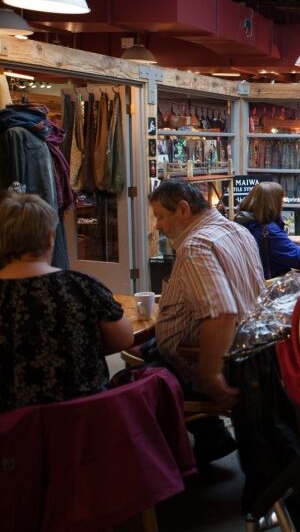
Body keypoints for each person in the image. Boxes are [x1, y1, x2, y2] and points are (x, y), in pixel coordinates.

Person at [149, 180, 265, 462]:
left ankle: (158, 468)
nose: (158, 226)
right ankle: (211, 434)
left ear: (183, 210)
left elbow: (220, 313)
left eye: (161, 216)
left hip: (207, 361)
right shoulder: (236, 230)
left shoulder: (195, 246)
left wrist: (210, 374)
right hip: (249, 354)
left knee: (133, 378)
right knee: (149, 348)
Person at [0, 192, 133, 412]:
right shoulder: (82, 285)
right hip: (84, 424)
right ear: (50, 236)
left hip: (12, 433)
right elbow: (124, 339)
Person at [235, 181, 300, 278]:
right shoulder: (269, 231)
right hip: (272, 282)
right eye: (281, 201)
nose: (282, 204)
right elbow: (299, 258)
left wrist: (288, 239)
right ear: (273, 204)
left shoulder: (243, 222)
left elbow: (262, 244)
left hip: (251, 280)